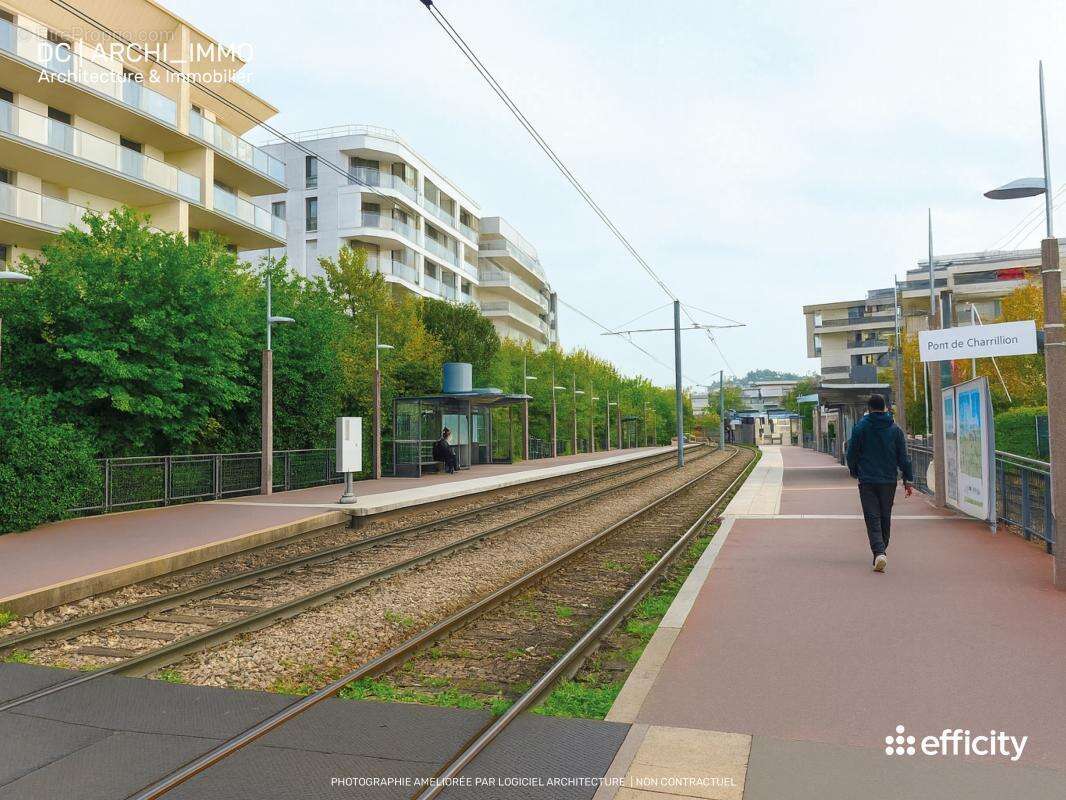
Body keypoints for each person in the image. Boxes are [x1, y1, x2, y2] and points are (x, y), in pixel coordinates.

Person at [845, 394, 914, 573]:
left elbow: (851, 453)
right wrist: (908, 479)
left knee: (872, 517)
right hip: (889, 480)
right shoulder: (895, 429)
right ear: (885, 408)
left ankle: (879, 552)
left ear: (868, 409)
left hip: (867, 480)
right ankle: (881, 550)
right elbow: (903, 457)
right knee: (885, 516)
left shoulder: (860, 428)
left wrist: (854, 471)